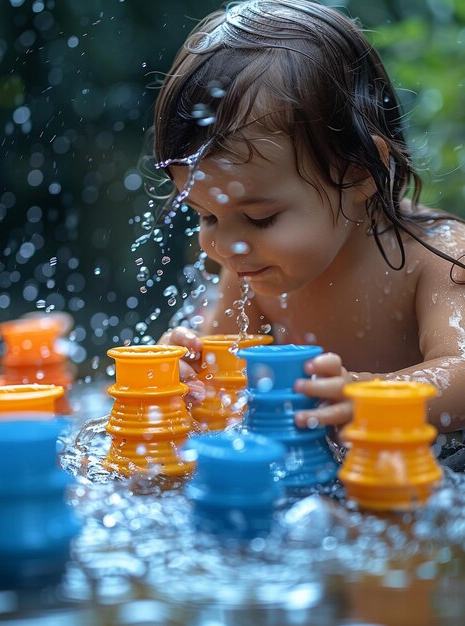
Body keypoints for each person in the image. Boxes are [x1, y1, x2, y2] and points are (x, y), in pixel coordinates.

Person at [153, 0, 465, 434]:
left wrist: (368, 396)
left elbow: (462, 372)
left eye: (260, 218)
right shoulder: (252, 269)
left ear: (357, 174)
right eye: (206, 216)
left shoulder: (438, 260)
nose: (225, 245)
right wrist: (187, 375)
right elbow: (224, 379)